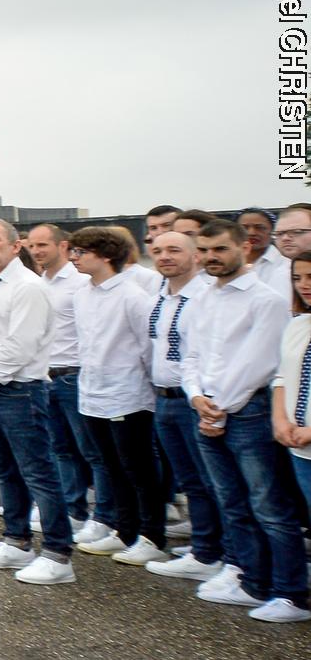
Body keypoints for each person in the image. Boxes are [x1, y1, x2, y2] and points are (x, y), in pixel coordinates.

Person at [182, 217, 307, 621]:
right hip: (208, 411)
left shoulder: (265, 299)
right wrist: (197, 396)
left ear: (243, 247)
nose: (210, 258)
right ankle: (252, 581)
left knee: (269, 505)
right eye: (203, 251)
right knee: (231, 503)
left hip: (248, 412)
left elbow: (261, 362)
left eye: (219, 249)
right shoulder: (201, 298)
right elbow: (191, 355)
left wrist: (220, 408)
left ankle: (292, 593)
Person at [0, 219, 76, 585]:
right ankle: (17, 540)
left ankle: (57, 553)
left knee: (38, 473)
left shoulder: (28, 288)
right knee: (5, 471)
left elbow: (20, 343)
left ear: (15, 245)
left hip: (18, 391)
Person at [65, 226, 165, 564]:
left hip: (128, 394)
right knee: (109, 466)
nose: (74, 258)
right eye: (73, 251)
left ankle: (152, 535)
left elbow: (149, 348)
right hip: (92, 393)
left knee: (137, 467)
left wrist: (145, 387)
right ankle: (124, 531)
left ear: (107, 255)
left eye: (81, 252)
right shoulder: (81, 295)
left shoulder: (134, 296)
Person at [143, 225, 228, 584]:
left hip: (194, 399)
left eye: (174, 250)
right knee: (192, 482)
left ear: (195, 256)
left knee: (212, 482)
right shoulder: (161, 295)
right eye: (159, 250)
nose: (165, 257)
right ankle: (204, 547)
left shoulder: (205, 296)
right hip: (164, 398)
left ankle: (215, 554)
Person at [26, 222, 113, 550]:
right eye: (32, 246)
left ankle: (104, 515)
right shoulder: (38, 283)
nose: (36, 251)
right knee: (60, 449)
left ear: (63, 246)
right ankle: (73, 509)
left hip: (75, 375)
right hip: (46, 376)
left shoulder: (80, 283)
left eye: (42, 245)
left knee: (93, 451)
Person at [274, 249, 311, 510]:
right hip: (299, 446)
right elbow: (282, 377)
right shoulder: (298, 325)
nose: (303, 285)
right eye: (297, 278)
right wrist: (280, 420)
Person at [242, 207, 291, 297]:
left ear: (273, 231)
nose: (251, 233)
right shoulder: (227, 262)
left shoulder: (285, 265)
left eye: (260, 228)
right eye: (244, 228)